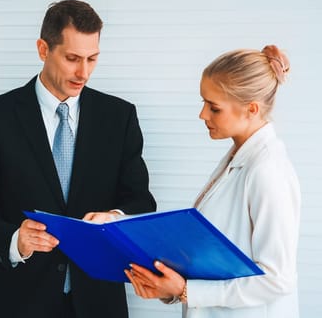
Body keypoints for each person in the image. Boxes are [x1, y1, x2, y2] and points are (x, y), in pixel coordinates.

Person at [0, 0, 156, 318]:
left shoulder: (119, 117)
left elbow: (141, 201)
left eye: (93, 59)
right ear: (43, 49)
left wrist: (115, 217)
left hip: (99, 302)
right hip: (16, 302)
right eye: (72, 58)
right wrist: (16, 241)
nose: (84, 72)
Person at [124, 45, 300, 318]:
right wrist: (170, 288)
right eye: (203, 103)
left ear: (251, 109)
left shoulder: (267, 170)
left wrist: (186, 291)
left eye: (214, 108)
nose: (203, 115)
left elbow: (277, 279)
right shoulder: (238, 158)